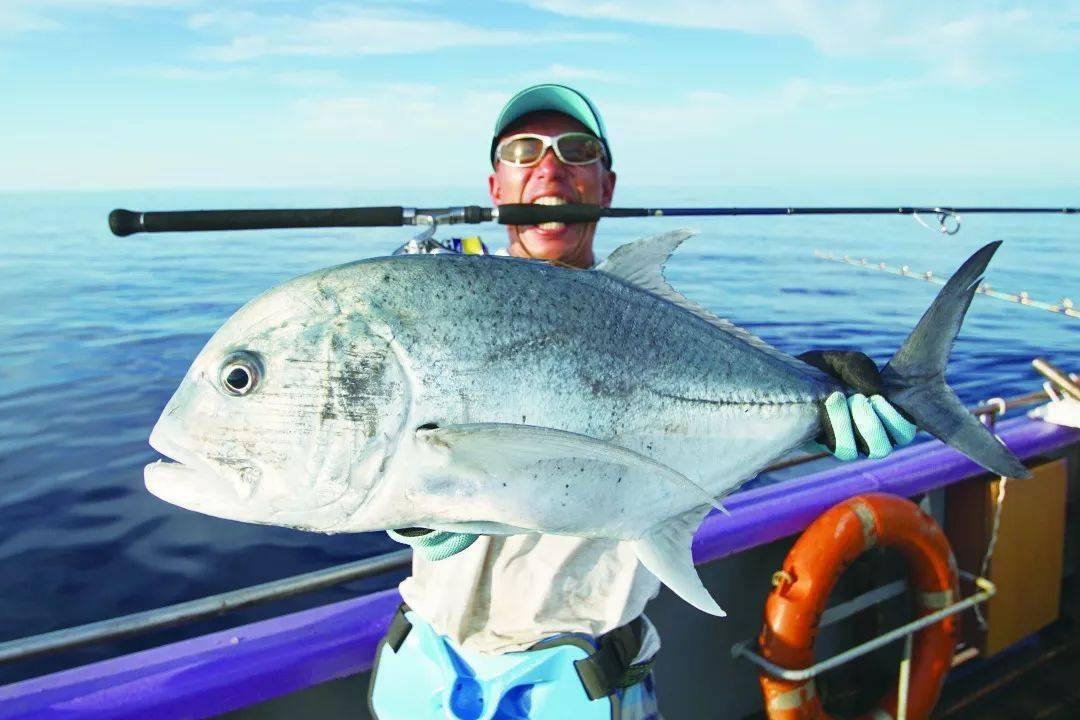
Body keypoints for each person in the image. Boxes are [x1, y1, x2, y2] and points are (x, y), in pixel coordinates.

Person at [368, 84, 916, 720]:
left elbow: (709, 434)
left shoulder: (665, 336)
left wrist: (812, 419)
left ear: (607, 185)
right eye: (524, 151)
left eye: (577, 150)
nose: (550, 168)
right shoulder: (439, 311)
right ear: (496, 186)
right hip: (424, 674)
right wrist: (419, 514)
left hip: (578, 688)